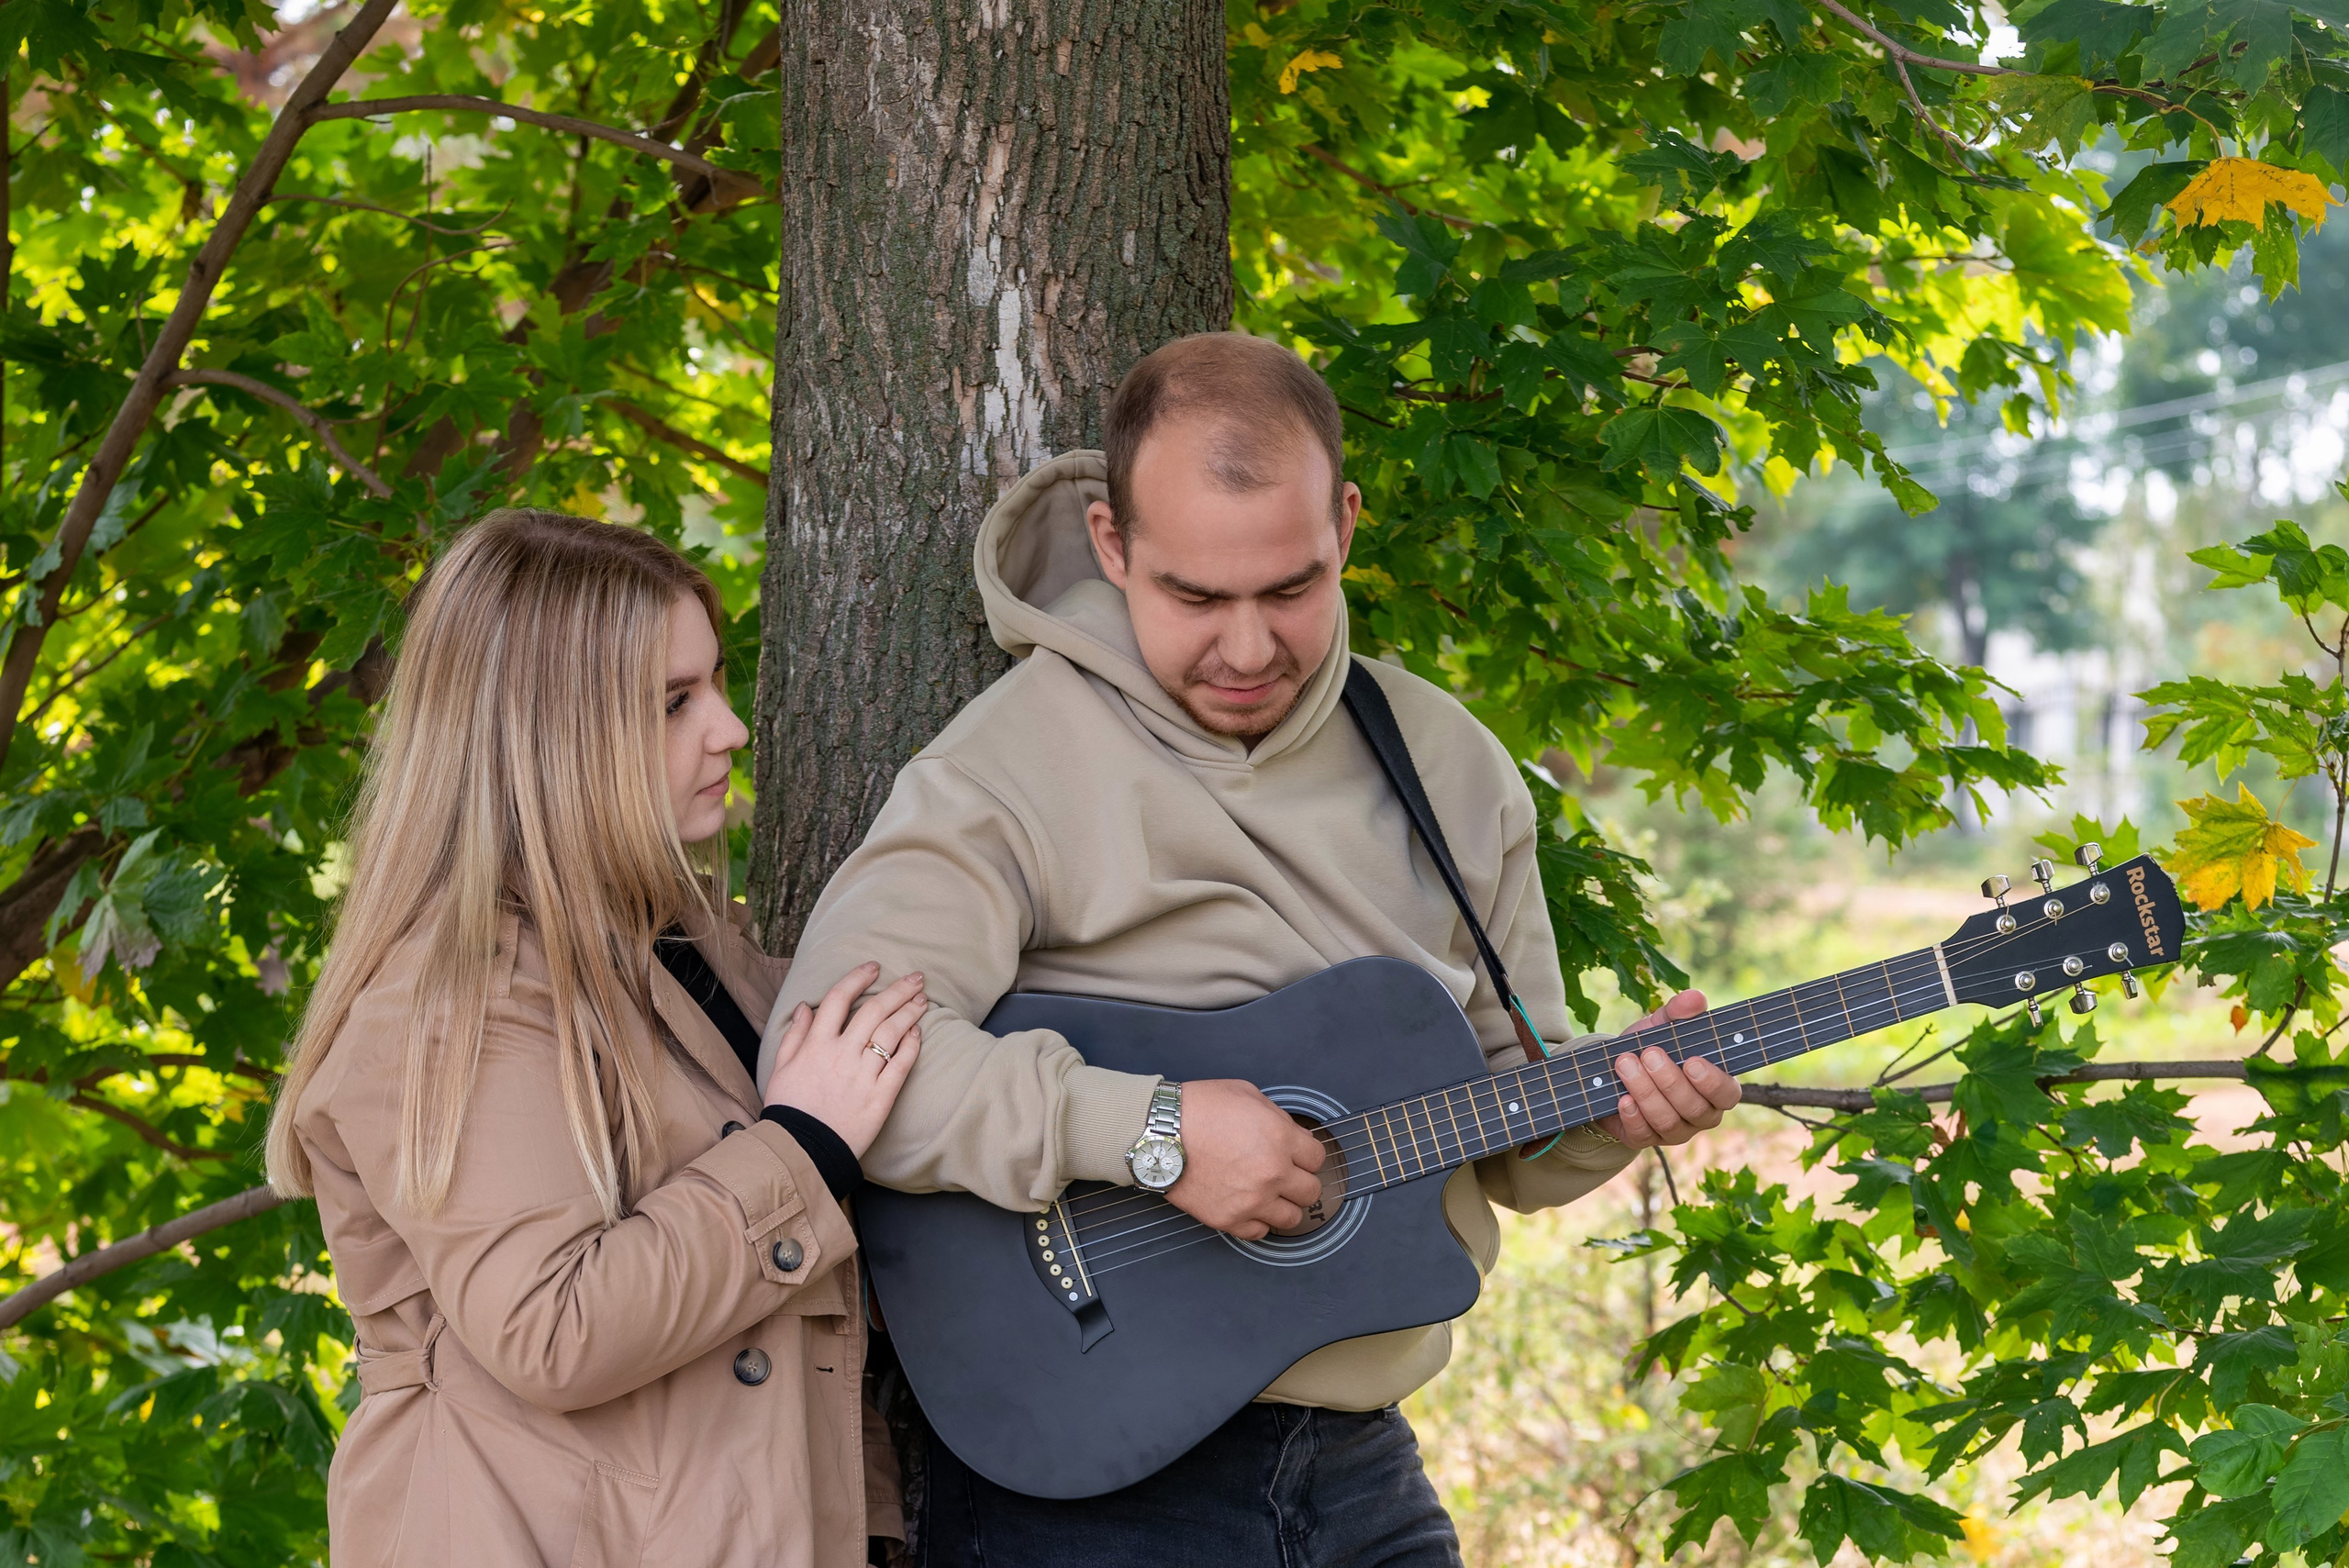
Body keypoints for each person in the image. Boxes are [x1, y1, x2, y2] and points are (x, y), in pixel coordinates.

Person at [760, 333, 1743, 1565]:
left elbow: (1505, 1126)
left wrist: (1614, 1111)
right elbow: (836, 1069)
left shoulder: (1448, 770)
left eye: (1290, 589)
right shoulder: (1002, 768)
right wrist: (1152, 1132)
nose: (1245, 649)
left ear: (1344, 523)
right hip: (1082, 1472)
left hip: (1360, 1467)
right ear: (1113, 545)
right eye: (1194, 598)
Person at [265, 510, 926, 1568]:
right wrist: (805, 1142)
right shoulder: (458, 994)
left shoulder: (680, 948)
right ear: (552, 734)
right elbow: (551, 1326)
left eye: (714, 683)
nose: (730, 730)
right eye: (674, 702)